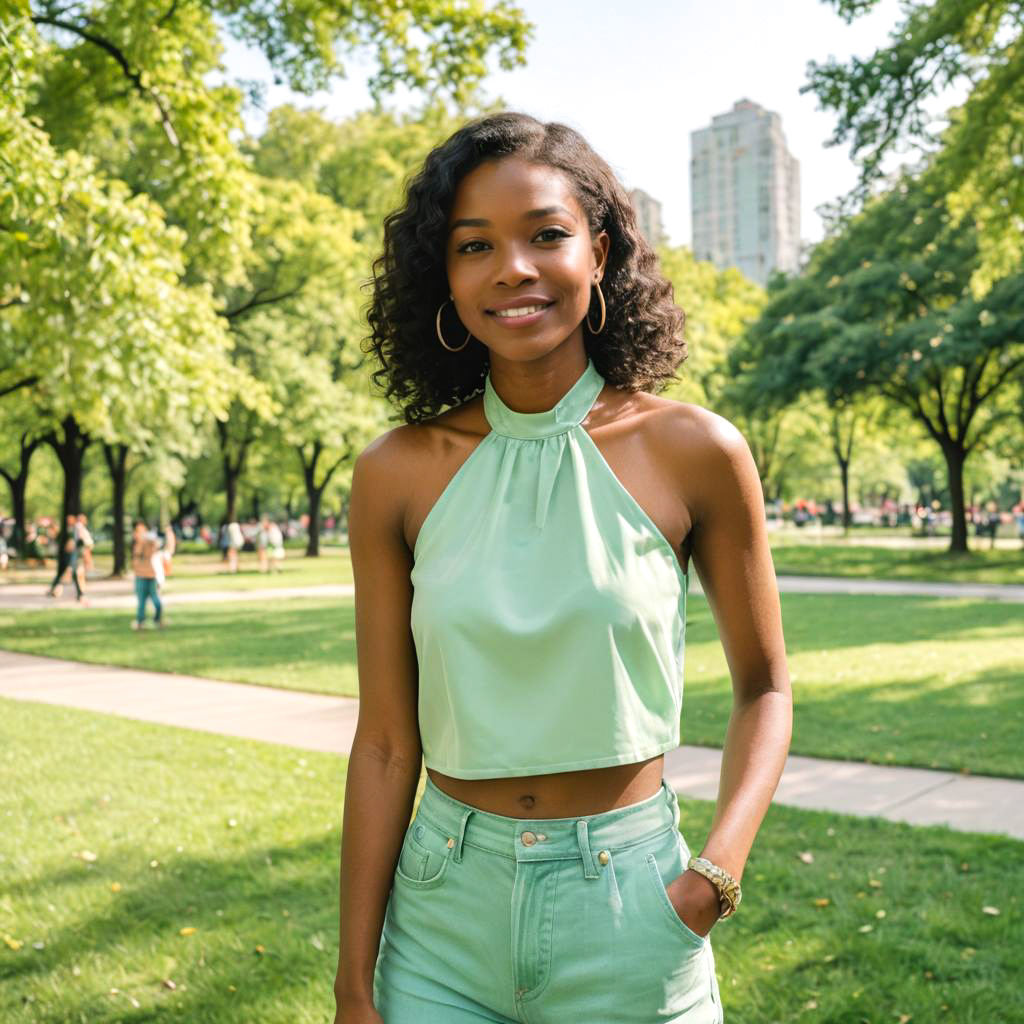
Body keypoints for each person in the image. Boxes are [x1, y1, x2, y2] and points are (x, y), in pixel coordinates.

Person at [332, 113, 792, 1024]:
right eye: (475, 246)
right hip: (438, 923)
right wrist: (355, 979)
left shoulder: (695, 449)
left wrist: (715, 876)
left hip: (631, 911)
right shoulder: (394, 475)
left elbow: (765, 689)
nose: (514, 268)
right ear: (447, 278)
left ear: (600, 251)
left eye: (547, 234)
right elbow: (386, 744)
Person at [130, 520, 163, 630]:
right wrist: (140, 542)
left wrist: (149, 541)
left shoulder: (150, 543)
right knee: (142, 602)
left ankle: (157, 619)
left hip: (150, 575)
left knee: (155, 600)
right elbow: (136, 555)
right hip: (140, 575)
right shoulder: (137, 544)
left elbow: (157, 547)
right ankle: (140, 622)